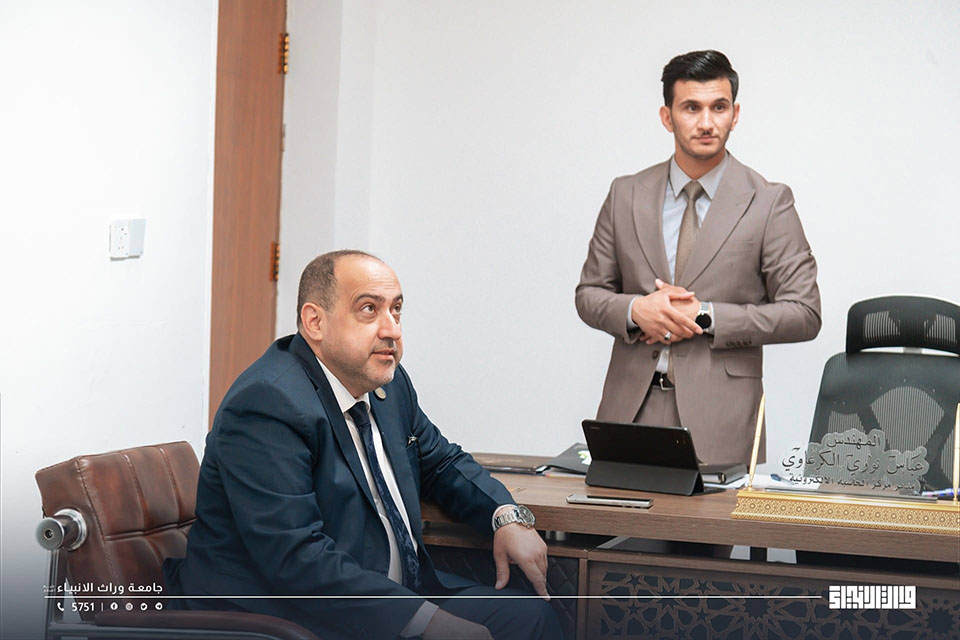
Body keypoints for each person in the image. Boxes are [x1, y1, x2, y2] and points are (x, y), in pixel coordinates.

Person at [164, 250, 560, 639]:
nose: (392, 330)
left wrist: (505, 515)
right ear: (315, 322)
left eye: (396, 310)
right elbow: (296, 557)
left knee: (532, 617)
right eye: (369, 309)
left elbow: (441, 462)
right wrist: (427, 622)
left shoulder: (387, 384)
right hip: (290, 614)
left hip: (388, 595)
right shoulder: (269, 402)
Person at [575, 50, 821, 465]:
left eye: (718, 107)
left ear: (735, 114)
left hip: (721, 419)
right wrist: (636, 311)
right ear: (667, 117)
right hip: (628, 413)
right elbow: (589, 294)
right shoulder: (625, 194)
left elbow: (804, 313)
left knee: (713, 514)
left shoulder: (768, 202)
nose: (707, 123)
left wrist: (705, 316)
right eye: (691, 108)